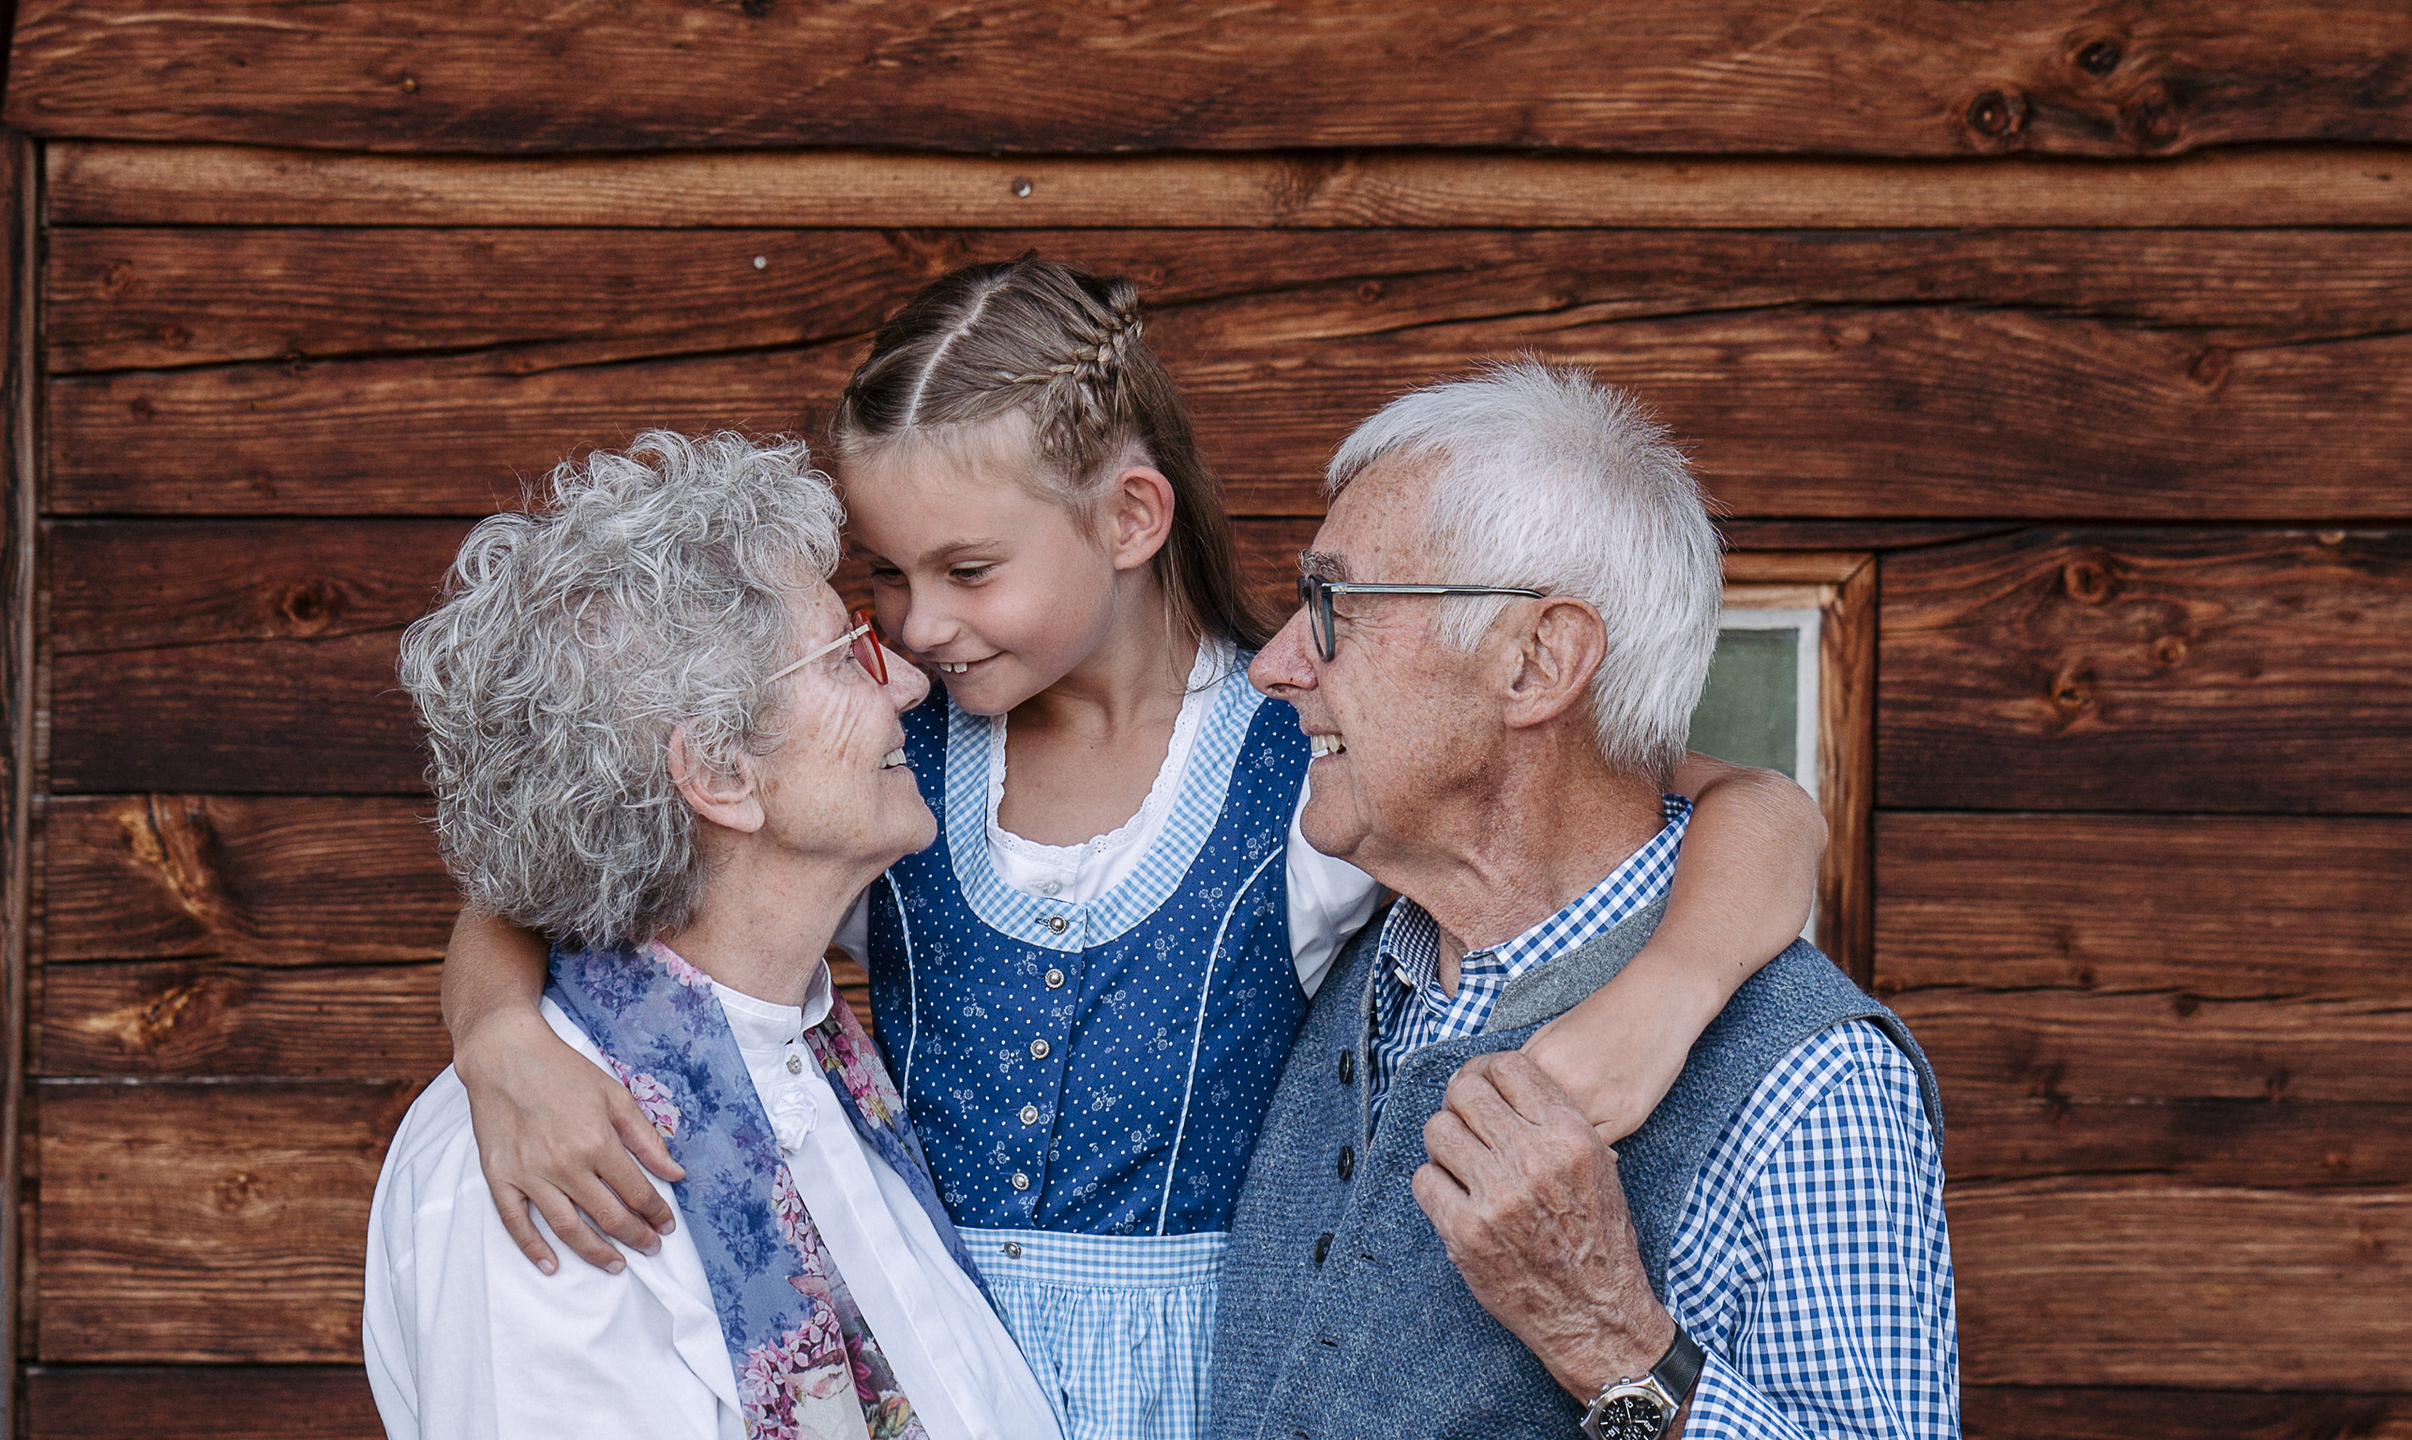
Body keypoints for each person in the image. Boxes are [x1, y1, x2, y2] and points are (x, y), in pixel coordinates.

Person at [431, 261, 1831, 1439]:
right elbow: (569, 883)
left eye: (967, 571)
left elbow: (1748, 809)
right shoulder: (887, 769)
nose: (915, 632)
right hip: (927, 1347)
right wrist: (501, 1038)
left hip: (1191, 1387)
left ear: (1130, 521)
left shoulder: (1308, 758)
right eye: (888, 581)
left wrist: (1671, 994)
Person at [1212, 363, 1957, 1440]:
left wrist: (1606, 1344)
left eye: (1337, 604)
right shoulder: (1350, 944)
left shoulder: (1808, 1083)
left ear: (1537, 663)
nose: (1276, 663)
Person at [363, 431, 1063, 1440]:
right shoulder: (547, 1171)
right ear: (722, 776)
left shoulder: (813, 1060)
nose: (909, 685)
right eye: (848, 656)